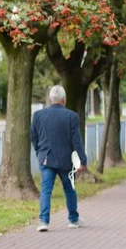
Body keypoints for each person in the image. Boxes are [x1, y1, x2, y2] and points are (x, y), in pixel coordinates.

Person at [31, 85, 88, 232]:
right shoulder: (72, 116)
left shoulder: (38, 115)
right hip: (66, 160)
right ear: (64, 99)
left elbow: (33, 136)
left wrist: (39, 152)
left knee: (46, 190)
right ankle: (73, 220)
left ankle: (43, 221)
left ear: (51, 99)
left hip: (46, 158)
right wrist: (82, 160)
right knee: (69, 189)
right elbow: (77, 141)